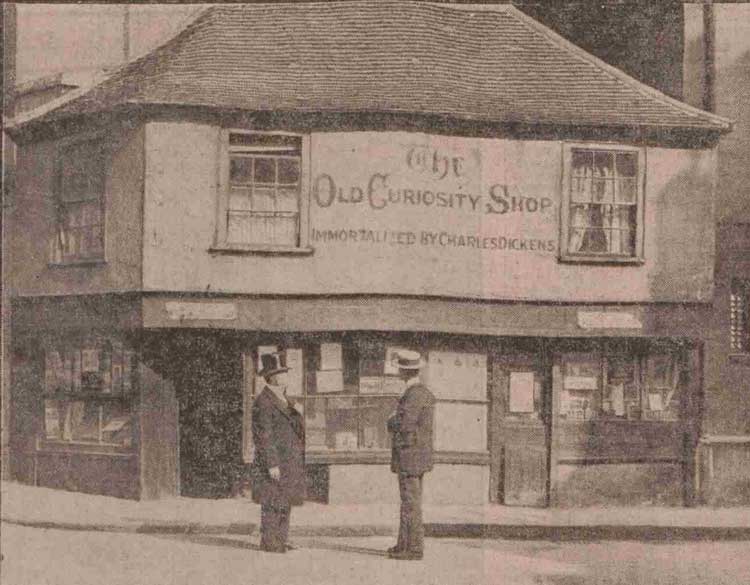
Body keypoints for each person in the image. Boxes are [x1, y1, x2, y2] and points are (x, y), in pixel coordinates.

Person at [251, 351, 305, 553]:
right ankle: (270, 542)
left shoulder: (284, 398)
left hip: (289, 459)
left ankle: (282, 539)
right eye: (281, 373)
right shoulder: (263, 401)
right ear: (271, 377)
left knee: (285, 500)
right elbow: (263, 436)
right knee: (272, 502)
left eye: (285, 372)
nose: (285, 377)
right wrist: (271, 463)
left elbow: (297, 428)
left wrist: (297, 412)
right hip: (275, 461)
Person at [386, 349, 435, 560]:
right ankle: (402, 545)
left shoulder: (413, 394)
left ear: (405, 372)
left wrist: (391, 420)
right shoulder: (420, 392)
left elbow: (404, 424)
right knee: (409, 502)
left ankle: (413, 549)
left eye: (399, 370)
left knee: (410, 503)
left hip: (409, 457)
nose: (398, 373)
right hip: (415, 456)